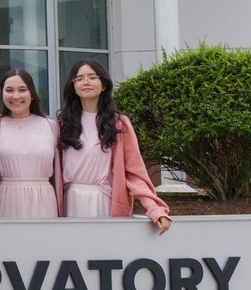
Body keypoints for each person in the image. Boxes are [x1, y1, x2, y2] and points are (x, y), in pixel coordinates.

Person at [58, 59, 171, 234]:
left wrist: (154, 209)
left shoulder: (118, 124)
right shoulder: (62, 124)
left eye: (92, 77)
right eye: (79, 78)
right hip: (70, 202)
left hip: (104, 202)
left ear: (103, 84)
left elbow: (135, 172)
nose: (86, 82)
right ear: (73, 87)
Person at [0, 68, 63, 218]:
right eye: (9, 90)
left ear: (32, 94)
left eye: (22, 90)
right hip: (6, 200)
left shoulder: (53, 126)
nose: (16, 96)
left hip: (44, 200)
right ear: (2, 94)